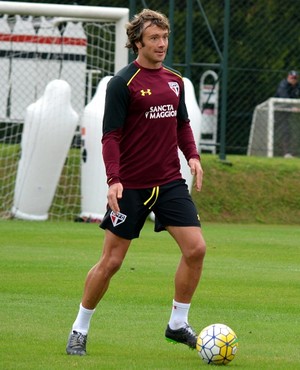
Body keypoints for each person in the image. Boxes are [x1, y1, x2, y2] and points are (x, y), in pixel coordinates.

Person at [66, 8, 206, 356]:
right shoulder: (122, 84)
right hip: (130, 186)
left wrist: (193, 156)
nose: (162, 44)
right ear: (137, 43)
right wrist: (113, 180)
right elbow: (110, 137)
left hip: (170, 183)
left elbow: (181, 125)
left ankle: (177, 323)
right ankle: (79, 329)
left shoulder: (175, 81)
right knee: (111, 262)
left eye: (165, 37)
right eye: (154, 38)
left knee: (197, 249)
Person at [274, 70, 300, 157]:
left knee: (287, 131)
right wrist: (291, 107)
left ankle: (287, 152)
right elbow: (283, 97)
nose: (293, 79)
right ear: (288, 77)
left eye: (295, 78)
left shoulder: (297, 86)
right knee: (281, 131)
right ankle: (284, 152)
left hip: (288, 114)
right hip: (278, 112)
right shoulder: (283, 85)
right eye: (291, 77)